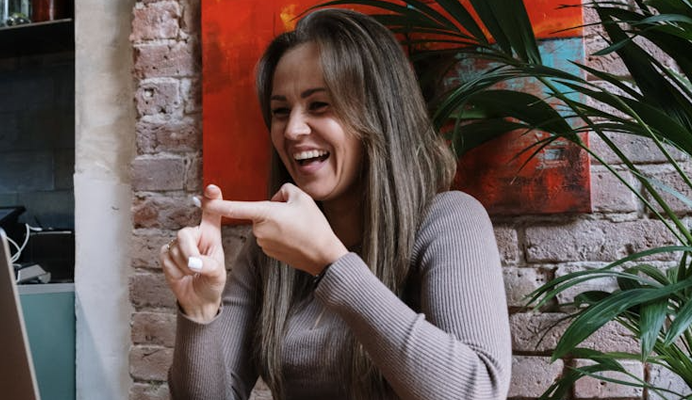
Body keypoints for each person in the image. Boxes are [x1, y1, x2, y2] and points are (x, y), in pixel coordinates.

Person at [160, 8, 511, 400]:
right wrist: (199, 312)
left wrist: (330, 263)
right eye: (280, 111)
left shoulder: (448, 221)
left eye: (319, 105)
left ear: (378, 113)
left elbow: (477, 392)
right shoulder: (267, 253)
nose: (292, 130)